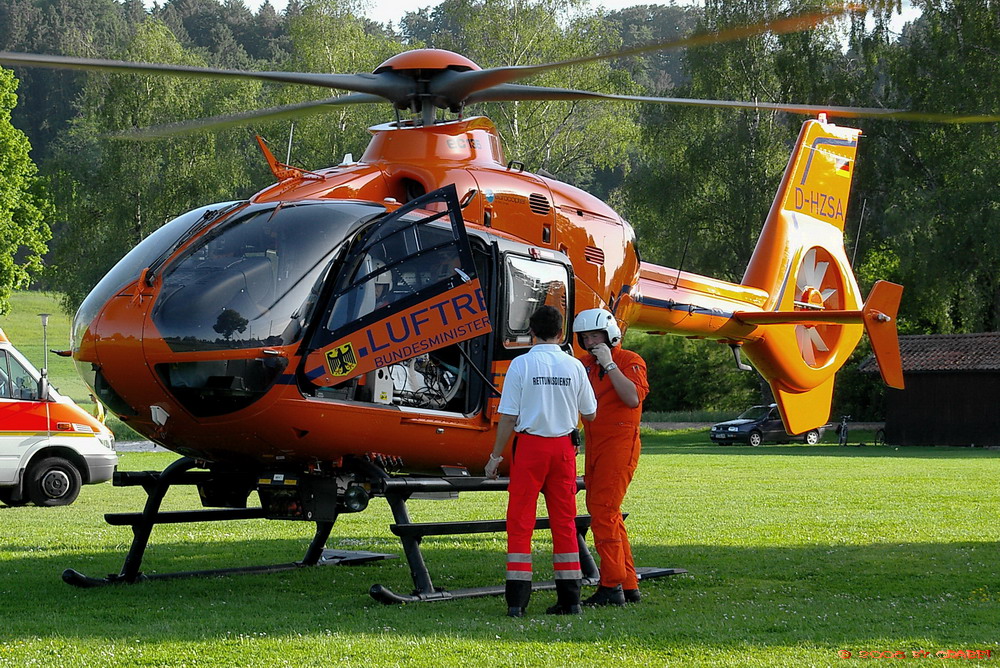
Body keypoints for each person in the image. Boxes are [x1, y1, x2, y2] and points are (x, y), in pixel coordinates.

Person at [485, 305, 597, 618]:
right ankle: (570, 598)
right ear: (561, 333)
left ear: (530, 332)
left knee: (520, 522)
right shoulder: (573, 366)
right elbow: (590, 413)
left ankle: (517, 602)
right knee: (564, 522)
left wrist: (495, 457)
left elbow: (508, 417)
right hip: (563, 449)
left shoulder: (521, 365)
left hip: (530, 448)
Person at [572, 308, 649, 606]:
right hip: (595, 444)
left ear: (610, 334)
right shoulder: (584, 365)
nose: (591, 342)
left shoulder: (629, 360)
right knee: (608, 511)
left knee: (603, 510)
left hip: (619, 443)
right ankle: (628, 584)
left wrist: (610, 365)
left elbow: (631, 399)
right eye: (586, 337)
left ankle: (611, 584)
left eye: (596, 335)